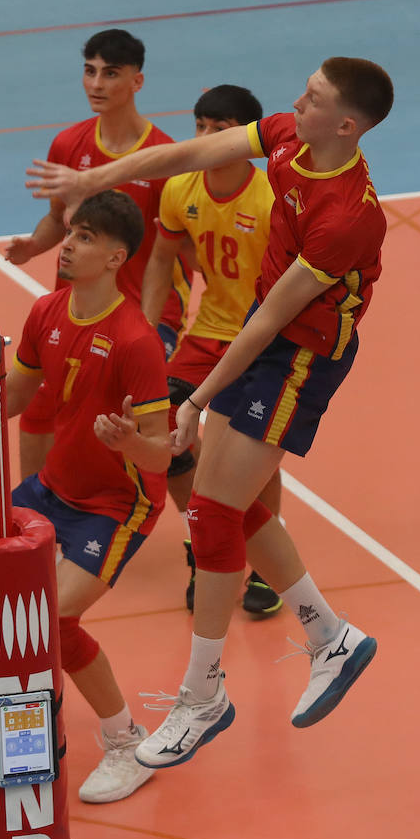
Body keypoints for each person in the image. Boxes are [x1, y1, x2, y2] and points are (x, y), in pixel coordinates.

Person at [27, 57, 392, 767]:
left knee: (213, 510)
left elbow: (272, 321)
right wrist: (98, 178)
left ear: (345, 124)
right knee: (223, 497)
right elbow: (192, 152)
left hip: (302, 353)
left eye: (311, 97)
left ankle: (204, 694)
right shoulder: (290, 135)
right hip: (271, 328)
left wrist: (193, 399)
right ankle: (329, 637)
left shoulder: (346, 217)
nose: (294, 101)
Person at [0, 190, 171, 805]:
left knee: (53, 620)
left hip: (114, 505)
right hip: (53, 487)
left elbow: (164, 455)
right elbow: (14, 400)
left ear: (115, 256)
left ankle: (127, 742)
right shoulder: (48, 311)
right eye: (70, 233)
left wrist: (131, 442)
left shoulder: (136, 341)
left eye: (83, 238)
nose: (68, 246)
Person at [4, 29, 189, 482]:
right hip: (79, 308)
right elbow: (56, 219)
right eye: (89, 71)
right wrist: (33, 245)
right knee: (39, 407)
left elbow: (170, 252)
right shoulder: (69, 144)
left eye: (110, 73)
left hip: (144, 315)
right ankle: (34, 513)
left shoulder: (163, 157)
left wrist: (146, 325)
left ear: (137, 81)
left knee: (153, 423)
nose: (96, 84)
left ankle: (195, 519)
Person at [140, 85, 283, 616]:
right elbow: (161, 259)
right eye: (199, 127)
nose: (203, 139)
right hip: (208, 333)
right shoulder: (181, 187)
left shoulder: (269, 199)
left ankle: (265, 567)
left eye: (218, 129)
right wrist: (148, 332)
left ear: (247, 138)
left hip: (264, 339)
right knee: (164, 426)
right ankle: (202, 542)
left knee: (254, 450)